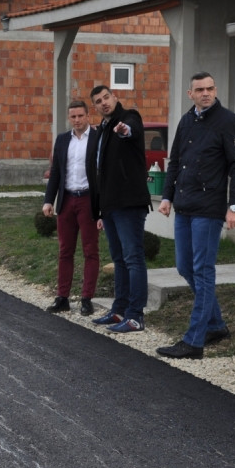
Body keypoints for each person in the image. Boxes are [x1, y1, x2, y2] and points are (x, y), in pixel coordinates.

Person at [156, 72, 235, 359]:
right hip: (184, 205)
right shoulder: (186, 120)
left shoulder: (227, 121)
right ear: (190, 93)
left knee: (203, 270)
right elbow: (175, 162)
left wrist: (234, 207)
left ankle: (194, 341)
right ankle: (216, 325)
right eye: (200, 89)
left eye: (210, 88)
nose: (206, 93)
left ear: (215, 90)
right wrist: (167, 196)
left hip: (209, 207)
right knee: (184, 267)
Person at [86, 85, 152, 333]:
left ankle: (135, 315)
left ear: (115, 97)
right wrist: (100, 210)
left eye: (106, 98)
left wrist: (124, 131)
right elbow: (99, 170)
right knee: (119, 259)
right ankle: (119, 310)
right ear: (95, 107)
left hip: (129, 203)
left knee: (133, 258)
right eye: (98, 101)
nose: (104, 103)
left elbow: (131, 131)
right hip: (110, 205)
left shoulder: (129, 117)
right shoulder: (101, 130)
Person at [42, 100, 99, 316]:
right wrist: (49, 200)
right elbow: (56, 171)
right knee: (65, 250)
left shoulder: (96, 138)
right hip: (66, 200)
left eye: (80, 116)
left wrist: (101, 207)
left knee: (90, 250)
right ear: (69, 118)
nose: (77, 120)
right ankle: (62, 297)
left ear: (87, 116)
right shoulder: (62, 140)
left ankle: (86, 298)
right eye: (73, 116)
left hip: (87, 200)